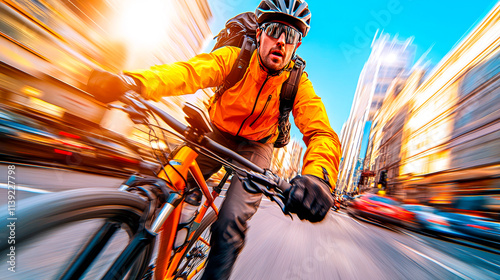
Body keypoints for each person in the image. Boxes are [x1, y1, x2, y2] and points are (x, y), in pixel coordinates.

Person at [87, 0, 341, 279]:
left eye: (290, 35)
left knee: (230, 223)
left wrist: (319, 177)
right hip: (216, 132)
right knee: (163, 185)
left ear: (297, 45)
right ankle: (168, 241)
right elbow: (189, 72)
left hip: (256, 148)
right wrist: (134, 83)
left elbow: (321, 132)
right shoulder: (235, 58)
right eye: (273, 30)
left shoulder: (297, 82)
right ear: (259, 34)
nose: (280, 41)